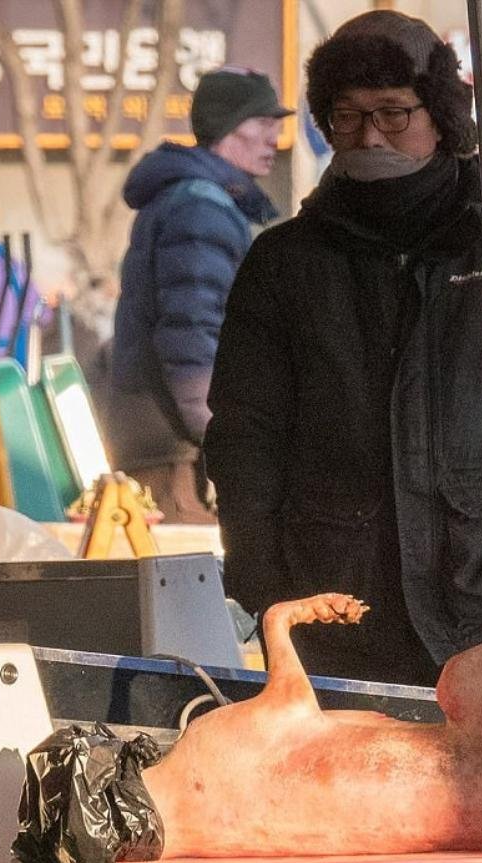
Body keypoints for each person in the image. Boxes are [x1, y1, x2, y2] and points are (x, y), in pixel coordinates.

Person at [203, 11, 482, 690]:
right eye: (347, 115)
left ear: (443, 120)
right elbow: (245, 436)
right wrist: (266, 587)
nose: (369, 135)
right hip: (336, 617)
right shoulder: (284, 262)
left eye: (393, 112)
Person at [107, 67, 292, 523]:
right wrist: (218, 431)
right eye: (263, 123)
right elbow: (191, 328)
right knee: (179, 578)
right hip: (172, 447)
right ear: (229, 127)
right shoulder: (200, 206)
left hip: (161, 436)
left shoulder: (197, 200)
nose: (275, 137)